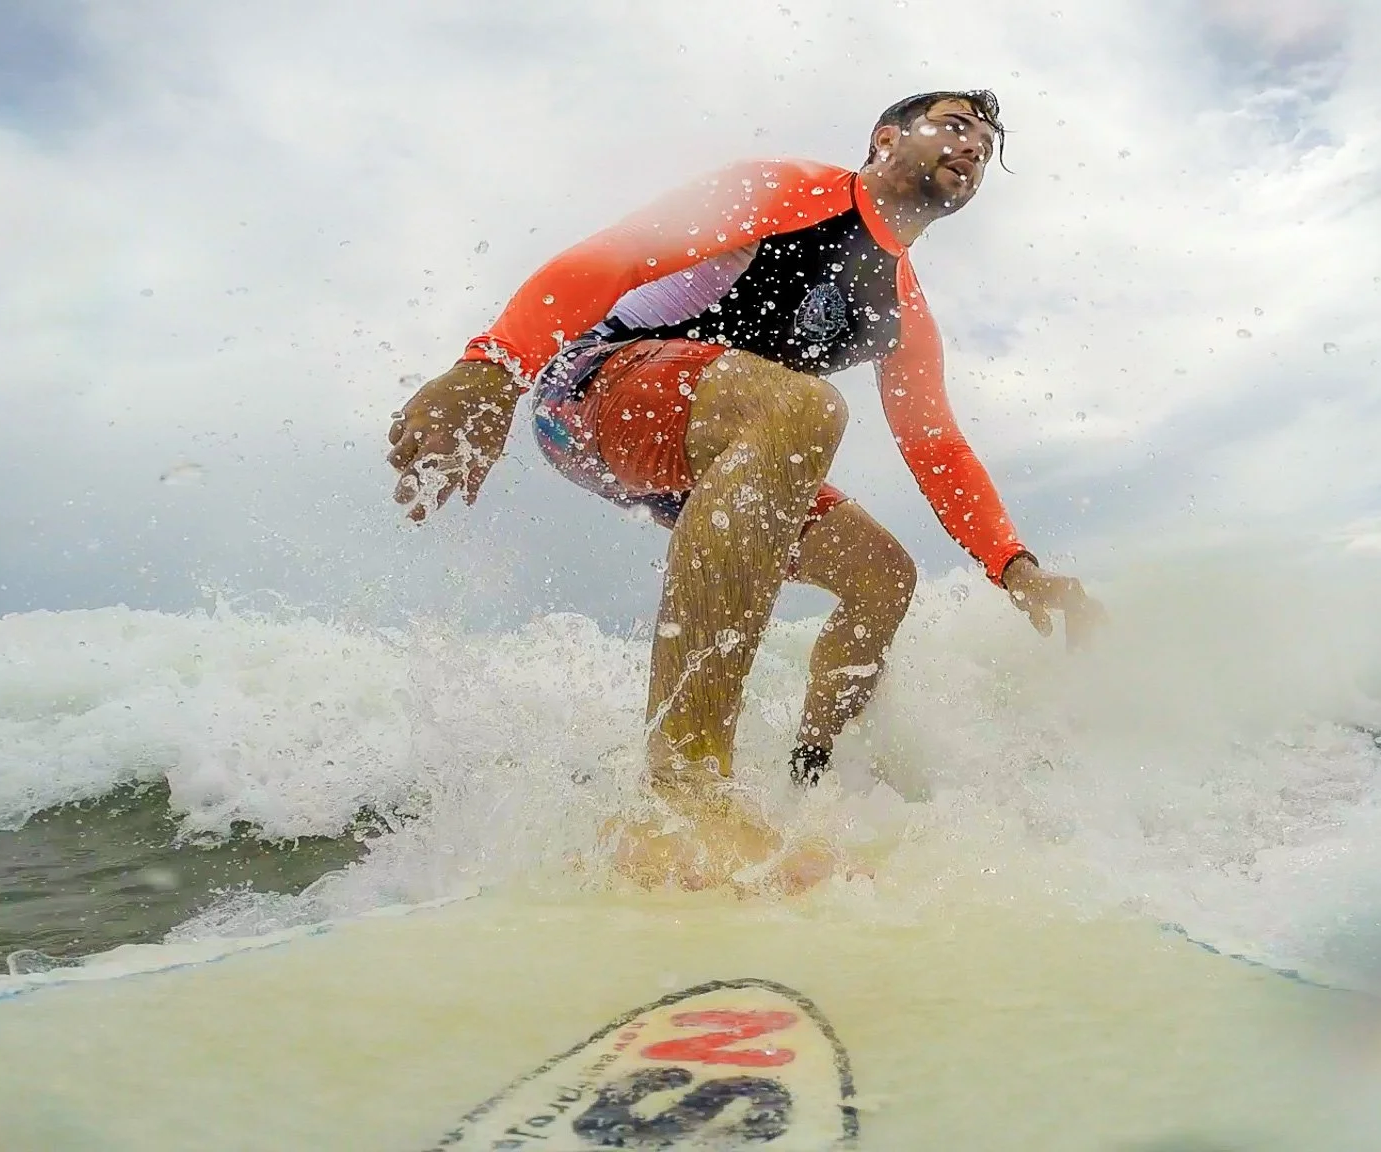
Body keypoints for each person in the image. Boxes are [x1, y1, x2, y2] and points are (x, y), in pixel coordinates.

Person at [387, 90, 1103, 891]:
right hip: (589, 390)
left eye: (986, 137)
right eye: (955, 122)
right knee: (803, 406)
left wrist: (1015, 567)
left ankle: (811, 779)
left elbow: (937, 448)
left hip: (707, 450)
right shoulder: (786, 191)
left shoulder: (902, 309)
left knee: (881, 577)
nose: (974, 142)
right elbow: (617, 256)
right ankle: (684, 794)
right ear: (885, 138)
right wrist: (494, 365)